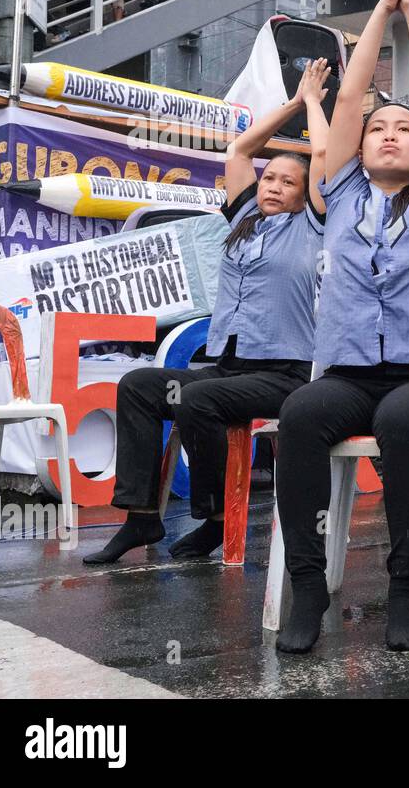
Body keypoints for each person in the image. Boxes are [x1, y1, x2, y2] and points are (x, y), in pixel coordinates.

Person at [273, 0, 409, 656]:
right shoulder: (343, 189)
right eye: (379, 127)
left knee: (402, 420)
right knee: (299, 415)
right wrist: (381, 6)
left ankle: (405, 585)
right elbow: (348, 101)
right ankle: (308, 583)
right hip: (347, 373)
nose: (388, 132)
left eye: (402, 129)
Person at [82, 60, 331, 564]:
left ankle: (216, 518)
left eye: (288, 182)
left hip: (284, 375)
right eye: (270, 178)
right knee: (140, 386)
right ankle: (141, 519)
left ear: (306, 196)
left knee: (202, 401)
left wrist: (310, 103)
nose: (273, 185)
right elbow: (239, 149)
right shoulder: (243, 221)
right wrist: (286, 106)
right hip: (230, 368)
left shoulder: (315, 227)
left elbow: (324, 155)